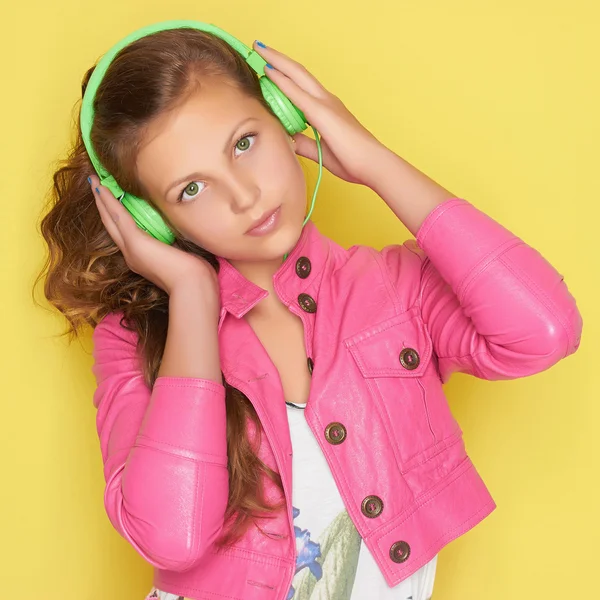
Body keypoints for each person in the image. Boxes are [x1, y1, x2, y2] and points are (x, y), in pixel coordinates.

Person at [37, 24, 582, 600]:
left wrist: (372, 159)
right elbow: (172, 536)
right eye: (190, 190)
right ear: (151, 221)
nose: (244, 197)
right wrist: (193, 296)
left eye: (244, 143)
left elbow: (543, 333)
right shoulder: (133, 341)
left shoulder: (394, 288)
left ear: (287, 116)